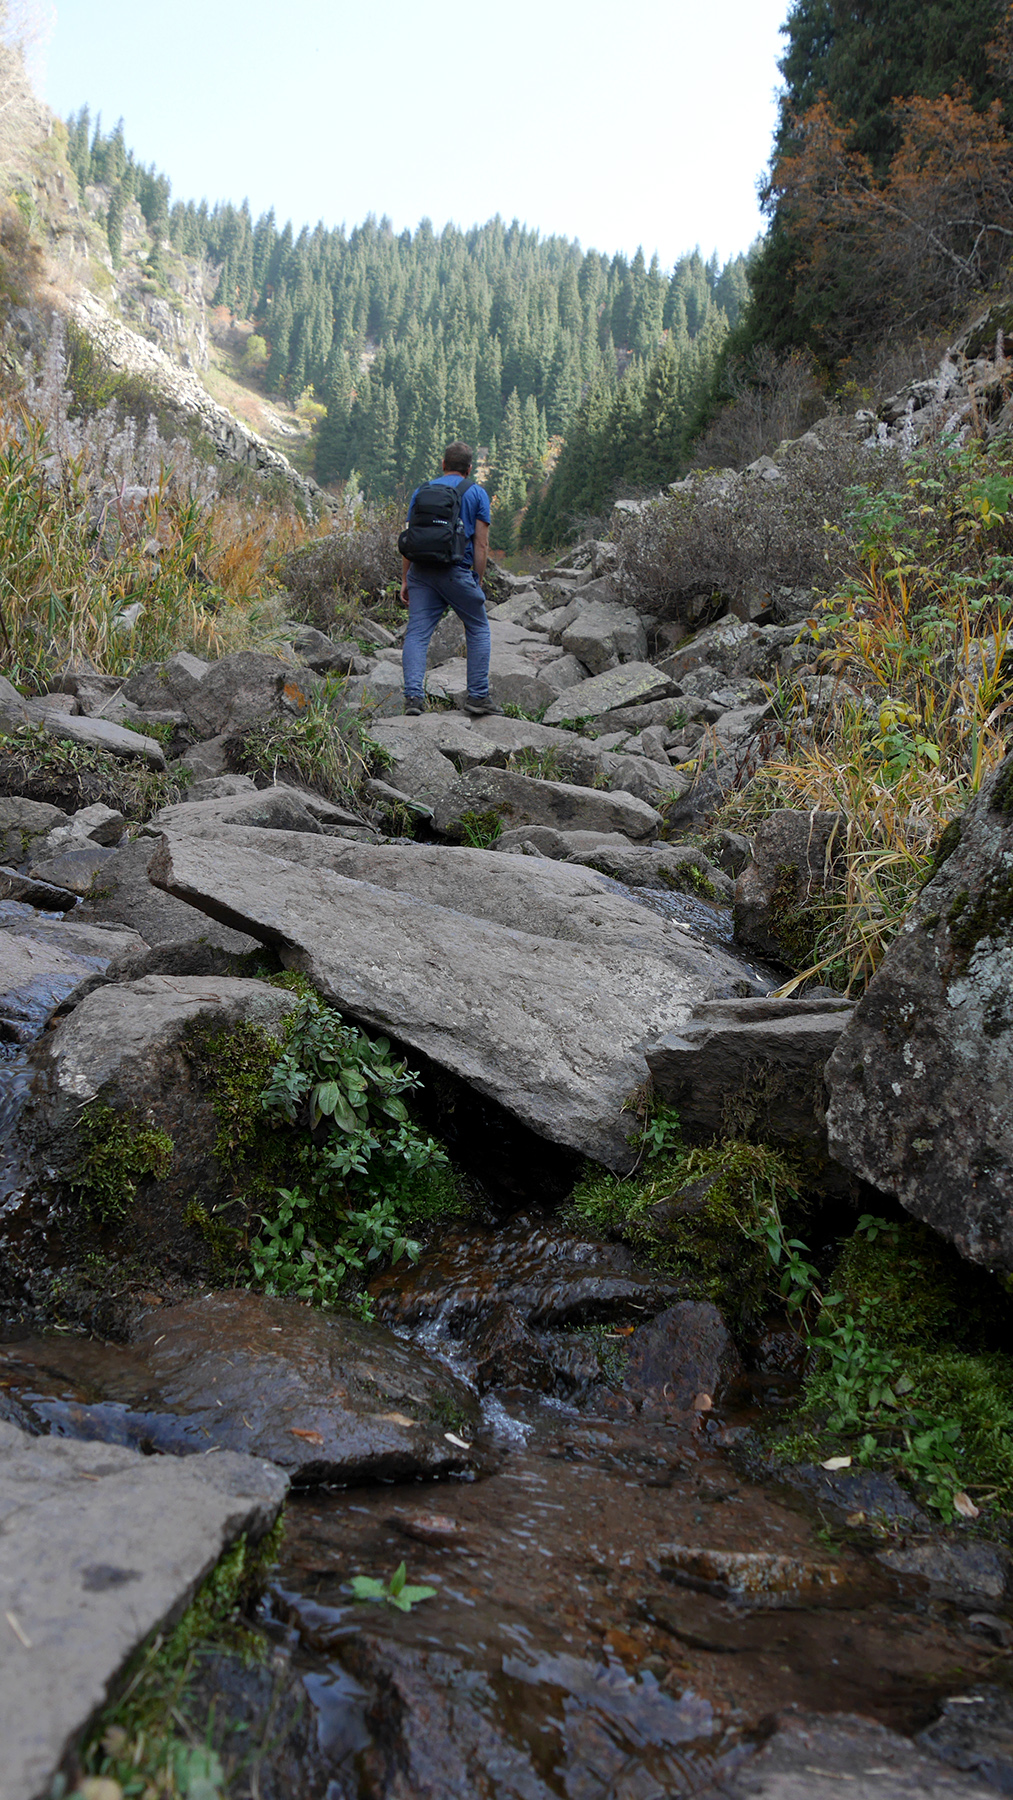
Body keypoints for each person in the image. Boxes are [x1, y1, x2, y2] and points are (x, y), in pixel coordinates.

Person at [400, 441, 500, 717]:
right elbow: (481, 545)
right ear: (469, 469)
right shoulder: (477, 493)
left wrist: (406, 578)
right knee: (478, 628)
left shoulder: (422, 491)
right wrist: (477, 578)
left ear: (443, 465)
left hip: (421, 570)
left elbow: (410, 536)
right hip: (456, 571)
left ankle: (413, 698)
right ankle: (478, 697)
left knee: (418, 633)